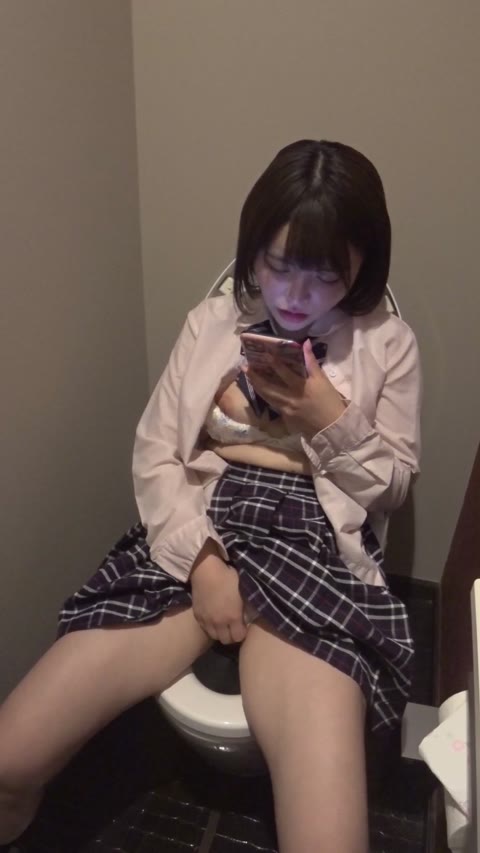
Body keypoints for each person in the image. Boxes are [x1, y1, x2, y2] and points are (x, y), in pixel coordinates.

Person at [0, 139, 421, 853]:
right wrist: (201, 561)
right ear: (253, 249)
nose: (293, 296)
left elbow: (394, 485)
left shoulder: (387, 340)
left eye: (324, 275)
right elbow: (156, 451)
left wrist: (328, 414)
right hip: (204, 520)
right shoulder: (212, 322)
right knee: (11, 760)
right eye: (278, 265)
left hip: (314, 543)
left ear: (361, 265)